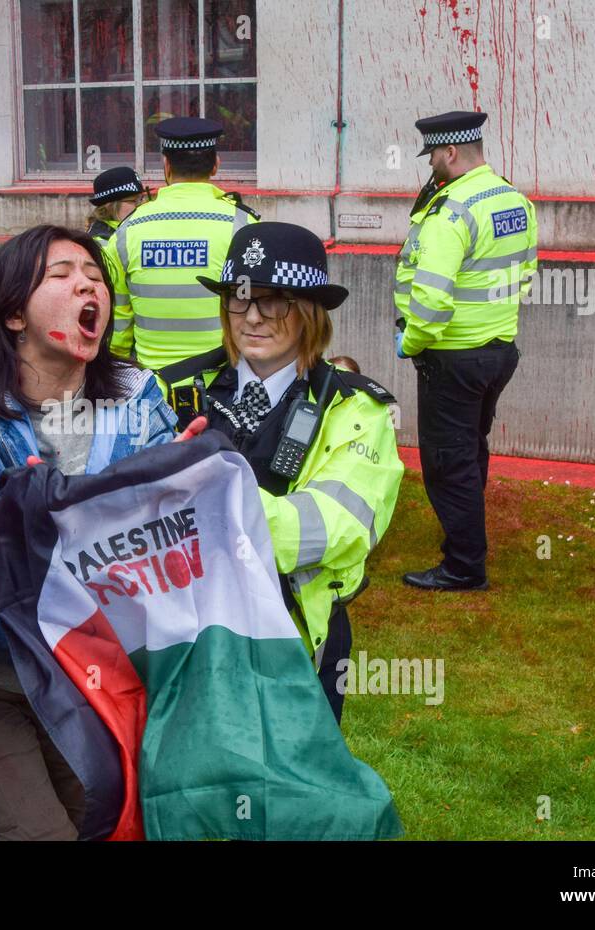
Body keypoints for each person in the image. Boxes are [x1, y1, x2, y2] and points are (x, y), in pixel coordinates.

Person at [0, 224, 190, 840]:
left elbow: (162, 552)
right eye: (62, 275)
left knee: (117, 826)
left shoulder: (137, 398)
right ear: (13, 313)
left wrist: (182, 493)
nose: (87, 284)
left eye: (95, 277)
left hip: (93, 679)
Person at [189, 222, 404, 723]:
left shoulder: (357, 408)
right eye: (240, 300)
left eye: (275, 301)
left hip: (297, 642)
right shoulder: (178, 388)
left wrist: (208, 501)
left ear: (309, 312)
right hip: (188, 633)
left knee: (295, 792)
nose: (253, 317)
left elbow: (337, 525)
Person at [394, 111, 537, 591]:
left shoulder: (451, 210)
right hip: (499, 351)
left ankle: (463, 567)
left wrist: (410, 342)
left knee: (445, 460)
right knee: (471, 446)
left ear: (450, 152)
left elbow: (431, 297)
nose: (430, 164)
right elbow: (526, 272)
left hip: (451, 357)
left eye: (432, 155)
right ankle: (465, 533)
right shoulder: (512, 198)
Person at [102, 117, 258, 395]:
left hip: (151, 391)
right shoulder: (243, 226)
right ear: (215, 164)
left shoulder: (127, 232)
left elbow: (119, 325)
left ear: (166, 165)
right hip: (224, 390)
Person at [85, 166, 150, 243]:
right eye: (134, 200)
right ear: (110, 207)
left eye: (142, 198)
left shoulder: (134, 229)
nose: (143, 205)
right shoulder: (100, 243)